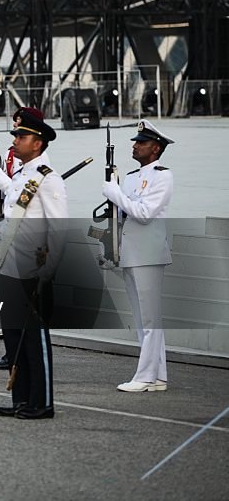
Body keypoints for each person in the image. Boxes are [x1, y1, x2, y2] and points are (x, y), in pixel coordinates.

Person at [0, 109, 67, 420]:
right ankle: (21, 397)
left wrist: (46, 273)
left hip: (31, 272)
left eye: (21, 136)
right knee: (14, 337)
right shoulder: (21, 176)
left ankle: (42, 401)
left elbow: (59, 229)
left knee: (34, 337)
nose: (15, 140)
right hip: (8, 266)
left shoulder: (48, 179)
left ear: (37, 143)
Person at [101, 120, 174, 393]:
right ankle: (158, 376)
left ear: (155, 148)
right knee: (143, 317)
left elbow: (144, 213)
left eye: (141, 142)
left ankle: (144, 377)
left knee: (150, 318)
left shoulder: (163, 176)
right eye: (135, 141)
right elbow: (122, 214)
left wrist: (115, 193)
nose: (135, 145)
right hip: (129, 251)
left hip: (149, 252)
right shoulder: (131, 176)